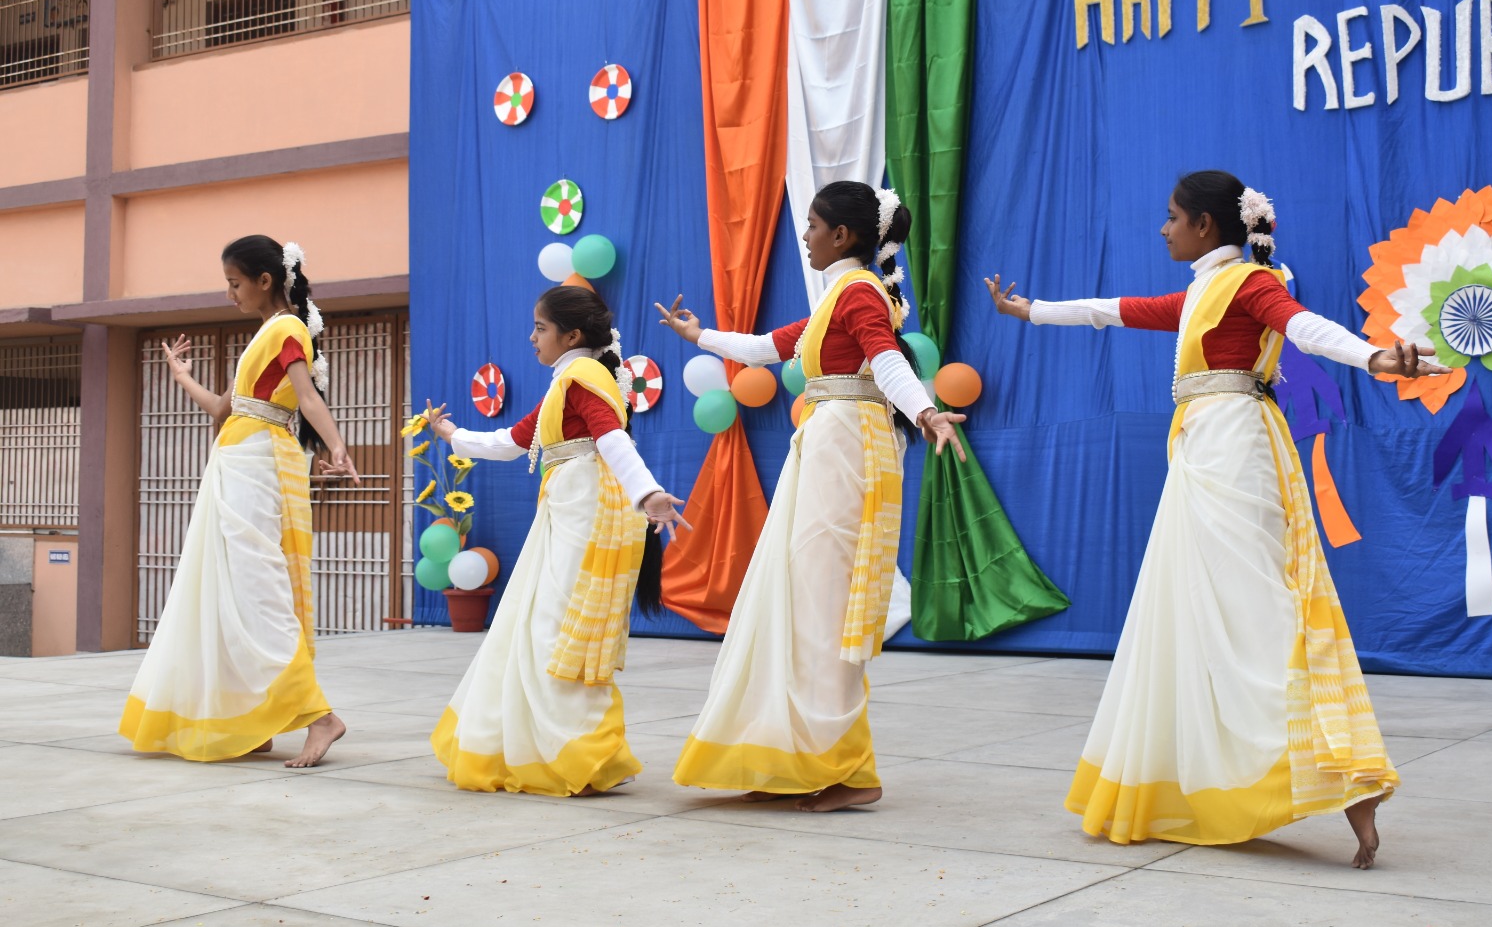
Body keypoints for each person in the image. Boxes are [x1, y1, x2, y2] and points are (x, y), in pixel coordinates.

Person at [986, 171, 1449, 869]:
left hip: (1234, 448)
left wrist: (1376, 357)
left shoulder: (1250, 283)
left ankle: (1341, 772)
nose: (1164, 228)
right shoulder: (1205, 290)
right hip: (1204, 446)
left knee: (1254, 610)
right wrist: (1032, 311)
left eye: (1172, 217)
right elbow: (1114, 310)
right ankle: (1237, 781)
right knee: (1200, 615)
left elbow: (1304, 327)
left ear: (1205, 225)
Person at [658, 180, 967, 812]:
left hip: (846, 449)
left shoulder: (859, 292)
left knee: (824, 606)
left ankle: (848, 769)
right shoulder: (840, 296)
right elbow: (766, 348)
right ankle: (794, 756)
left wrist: (927, 412)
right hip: (828, 445)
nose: (805, 237)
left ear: (842, 235)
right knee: (802, 602)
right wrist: (700, 335)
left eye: (812, 226)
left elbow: (887, 360)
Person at [424, 286, 690, 795]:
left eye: (540, 328)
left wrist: (649, 493)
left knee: (557, 631)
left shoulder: (581, 375)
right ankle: (561, 751)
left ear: (571, 335)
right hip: (568, 511)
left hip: (586, 514)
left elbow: (611, 437)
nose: (532, 337)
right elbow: (512, 442)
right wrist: (453, 435)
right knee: (539, 628)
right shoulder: (567, 382)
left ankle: (582, 754)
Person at [121, 236, 358, 768]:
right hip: (236, 460)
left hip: (256, 464)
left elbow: (307, 395)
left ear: (264, 281)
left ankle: (319, 716)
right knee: (225, 589)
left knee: (257, 589)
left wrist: (337, 445)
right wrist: (182, 377)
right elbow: (222, 409)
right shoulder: (265, 336)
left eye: (234, 283)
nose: (230, 293)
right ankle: (256, 717)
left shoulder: (287, 328)